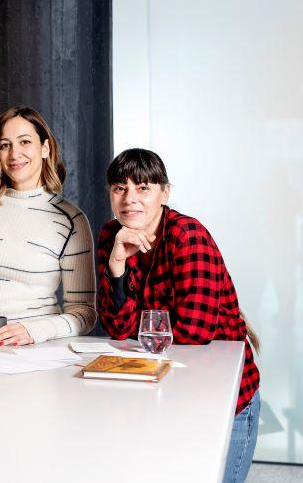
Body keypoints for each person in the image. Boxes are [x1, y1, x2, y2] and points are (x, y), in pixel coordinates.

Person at [96, 148, 260, 483]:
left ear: (164, 193)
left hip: (221, 398)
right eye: (119, 188)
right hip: (163, 394)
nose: (130, 199)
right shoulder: (110, 237)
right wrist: (116, 266)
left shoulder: (188, 236)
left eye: (143, 188)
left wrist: (142, 327)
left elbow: (196, 332)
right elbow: (117, 327)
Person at [0, 106, 96, 345]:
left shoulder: (71, 220)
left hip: (38, 355)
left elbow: (84, 313)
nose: (14, 154)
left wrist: (34, 331)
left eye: (24, 142)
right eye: (5, 145)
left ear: (45, 148)